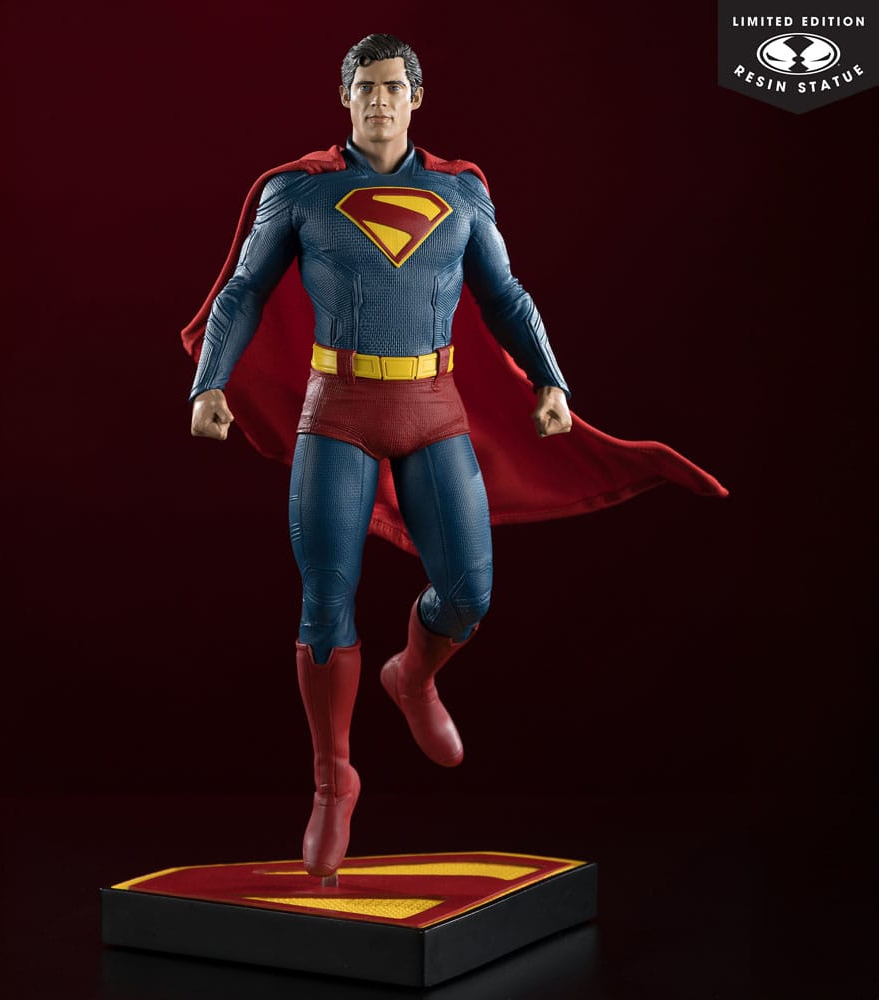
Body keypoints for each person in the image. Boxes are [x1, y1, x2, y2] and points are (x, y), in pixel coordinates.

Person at [184, 34, 724, 880]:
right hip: (338, 409)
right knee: (325, 601)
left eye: (393, 87)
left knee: (469, 592)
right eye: (365, 87)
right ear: (345, 97)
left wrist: (550, 380)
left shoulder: (460, 191)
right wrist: (208, 384)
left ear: (417, 98)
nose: (380, 101)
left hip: (433, 407)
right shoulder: (301, 190)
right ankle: (333, 780)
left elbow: (505, 295)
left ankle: (413, 675)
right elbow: (243, 291)